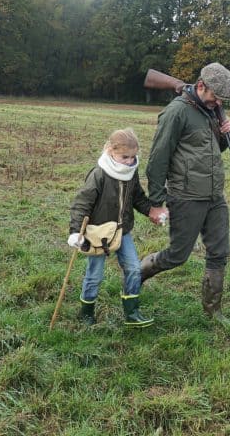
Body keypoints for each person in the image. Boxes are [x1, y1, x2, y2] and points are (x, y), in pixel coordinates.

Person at [140, 62, 230, 327]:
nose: (219, 102)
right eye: (215, 96)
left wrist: (224, 134)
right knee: (177, 256)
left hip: (214, 195)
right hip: (186, 196)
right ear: (201, 85)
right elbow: (158, 159)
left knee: (219, 253)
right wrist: (156, 203)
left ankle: (213, 313)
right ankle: (135, 275)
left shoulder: (211, 109)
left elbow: (211, 149)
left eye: (222, 99)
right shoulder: (176, 112)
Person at [68, 128, 163, 328]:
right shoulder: (99, 174)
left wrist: (152, 212)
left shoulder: (131, 171)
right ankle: (86, 314)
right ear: (111, 151)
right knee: (95, 275)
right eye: (125, 157)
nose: (130, 161)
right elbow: (81, 204)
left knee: (134, 269)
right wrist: (76, 232)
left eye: (133, 157)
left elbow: (137, 197)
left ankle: (132, 312)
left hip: (123, 231)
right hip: (97, 233)